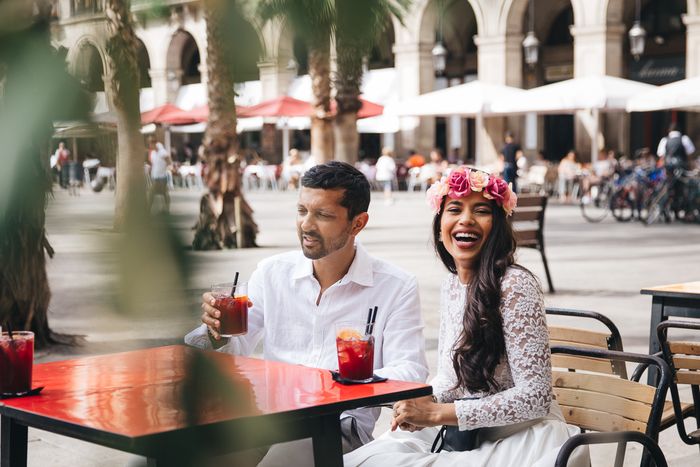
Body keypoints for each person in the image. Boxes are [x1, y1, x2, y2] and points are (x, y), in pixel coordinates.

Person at [185, 161, 429, 465]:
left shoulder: (395, 286)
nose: (306, 225)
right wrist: (216, 332)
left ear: (358, 223)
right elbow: (235, 348)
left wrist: (346, 380)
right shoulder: (272, 272)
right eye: (302, 211)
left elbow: (411, 372)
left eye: (323, 215)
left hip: (335, 427)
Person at [345, 167, 587, 467]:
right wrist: (420, 402)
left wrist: (437, 413)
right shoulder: (453, 285)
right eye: (455, 209)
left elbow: (535, 397)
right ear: (440, 225)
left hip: (524, 437)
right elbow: (449, 377)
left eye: (481, 210)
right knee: (364, 459)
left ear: (497, 225)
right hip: (467, 431)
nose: (466, 219)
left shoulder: (514, 285)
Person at [147, 137, 172, 213]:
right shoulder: (153, 153)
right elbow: (153, 163)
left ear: (154, 143)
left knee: (152, 192)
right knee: (164, 193)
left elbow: (169, 161)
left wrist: (164, 168)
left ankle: (148, 209)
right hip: (155, 176)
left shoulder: (162, 152)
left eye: (150, 144)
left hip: (162, 176)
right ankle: (166, 209)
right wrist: (151, 168)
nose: (150, 146)